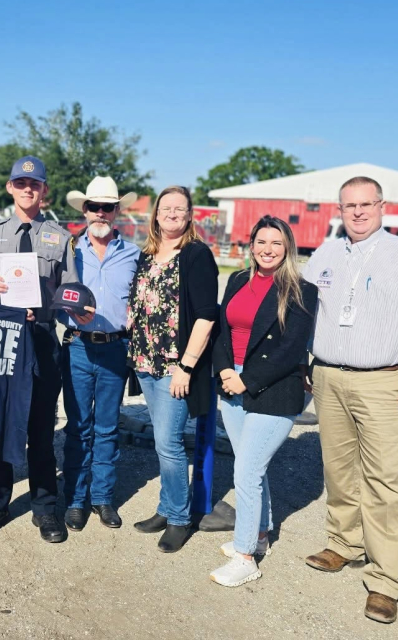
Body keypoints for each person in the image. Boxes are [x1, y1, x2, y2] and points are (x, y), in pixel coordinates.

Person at [303, 176, 398, 624]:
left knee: (384, 478)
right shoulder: (325, 253)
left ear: (382, 206)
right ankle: (344, 543)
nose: (358, 212)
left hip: (381, 381)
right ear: (338, 210)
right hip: (327, 376)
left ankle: (386, 579)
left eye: (366, 204)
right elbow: (301, 308)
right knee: (339, 469)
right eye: (349, 206)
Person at [0, 155, 78, 543]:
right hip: (2, 340)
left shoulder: (59, 238)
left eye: (34, 184)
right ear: (10, 187)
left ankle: (45, 508)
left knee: (41, 427)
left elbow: (71, 292)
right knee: (0, 424)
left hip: (42, 338)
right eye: (21, 183)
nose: (27, 189)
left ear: (44, 190)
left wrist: (53, 304)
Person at [209, 215, 317, 587]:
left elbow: (291, 349)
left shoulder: (301, 290)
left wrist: (247, 380)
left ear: (288, 248)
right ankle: (259, 534)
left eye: (276, 243)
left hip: (274, 389)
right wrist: (226, 370)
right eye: (261, 242)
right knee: (250, 466)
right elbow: (222, 332)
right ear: (251, 245)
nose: (267, 250)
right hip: (232, 381)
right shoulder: (238, 279)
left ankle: (245, 558)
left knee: (246, 472)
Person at [127, 185, 218, 553]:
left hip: (174, 367)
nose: (172, 213)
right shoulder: (148, 254)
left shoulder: (196, 255)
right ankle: (166, 509)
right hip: (145, 363)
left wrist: (187, 366)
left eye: (180, 208)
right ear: (156, 213)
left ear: (190, 215)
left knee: (169, 443)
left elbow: (207, 316)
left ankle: (180, 518)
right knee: (163, 443)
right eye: (166, 208)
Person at [59, 176, 140, 532]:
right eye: (95, 206)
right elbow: (55, 296)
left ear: (117, 210)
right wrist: (68, 313)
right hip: (78, 345)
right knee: (78, 426)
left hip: (115, 348)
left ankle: (102, 497)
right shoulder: (69, 251)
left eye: (108, 207)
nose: (101, 213)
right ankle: (75, 500)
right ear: (85, 210)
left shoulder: (134, 254)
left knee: (107, 426)